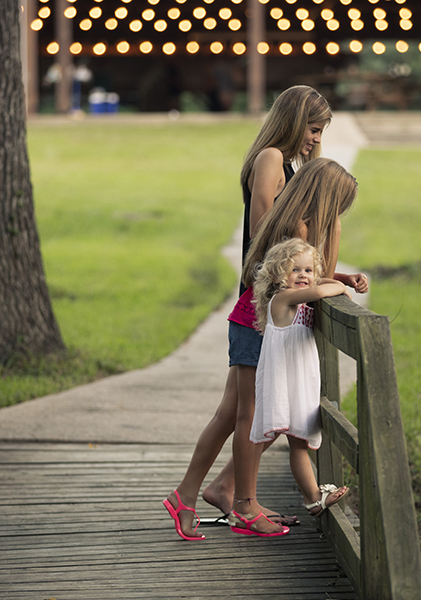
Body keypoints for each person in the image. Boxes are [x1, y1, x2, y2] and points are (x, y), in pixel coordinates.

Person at [163, 154, 368, 540]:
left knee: (239, 413)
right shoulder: (297, 224)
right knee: (251, 415)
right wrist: (335, 235)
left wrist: (338, 276)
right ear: (326, 200)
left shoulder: (291, 219)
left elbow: (305, 271)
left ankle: (206, 492)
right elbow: (305, 283)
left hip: (255, 319)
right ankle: (242, 504)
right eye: (337, 207)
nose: (338, 215)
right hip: (258, 324)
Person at [231, 238, 350, 537]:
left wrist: (327, 278)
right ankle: (249, 500)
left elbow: (319, 284)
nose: (303, 275)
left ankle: (313, 499)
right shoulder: (282, 300)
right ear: (277, 275)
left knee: (299, 442)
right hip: (284, 382)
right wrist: (343, 286)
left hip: (300, 380)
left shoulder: (298, 297)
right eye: (294, 269)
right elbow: (323, 289)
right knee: (290, 438)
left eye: (308, 270)